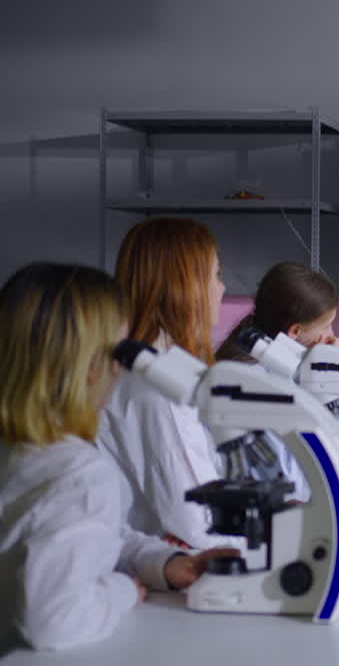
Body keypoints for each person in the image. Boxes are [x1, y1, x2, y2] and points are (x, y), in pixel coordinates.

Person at [0, 263, 235, 650]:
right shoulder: (76, 471)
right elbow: (54, 621)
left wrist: (162, 562)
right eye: (119, 353)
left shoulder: (28, 449)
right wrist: (123, 589)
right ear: (92, 367)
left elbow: (79, 532)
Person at [97, 218, 234, 549]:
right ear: (184, 286)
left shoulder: (159, 370)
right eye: (215, 275)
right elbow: (197, 526)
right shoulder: (159, 387)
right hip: (155, 576)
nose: (222, 289)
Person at [213, 261, 339, 501]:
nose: (334, 336)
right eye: (326, 325)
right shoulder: (252, 385)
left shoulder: (281, 374)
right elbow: (290, 480)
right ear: (294, 331)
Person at [215, 261, 339, 362]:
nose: (332, 334)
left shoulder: (246, 355)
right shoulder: (264, 376)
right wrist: (325, 367)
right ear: (295, 331)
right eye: (326, 326)